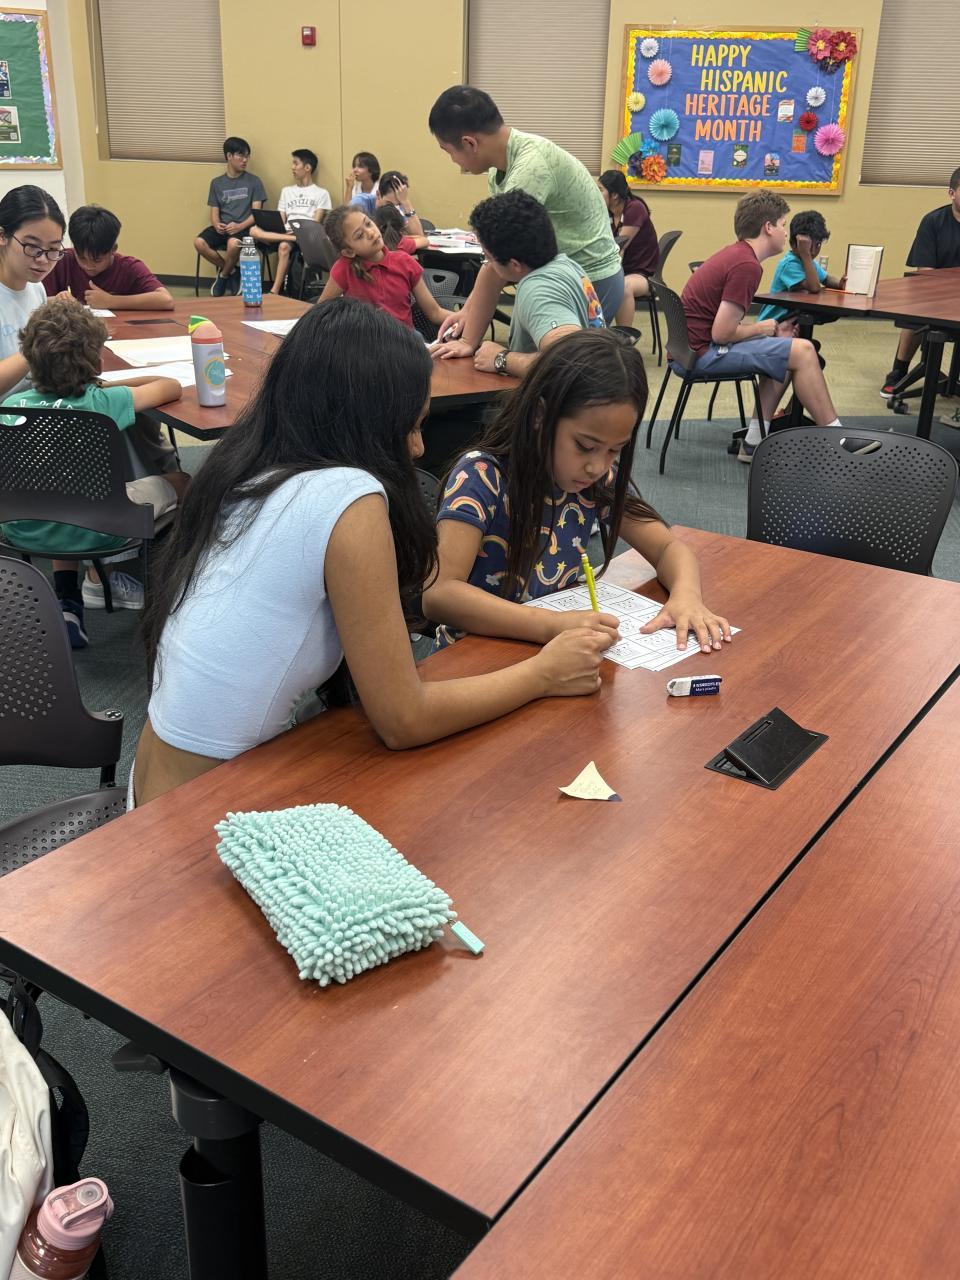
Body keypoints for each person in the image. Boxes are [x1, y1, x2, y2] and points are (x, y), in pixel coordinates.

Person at [133, 299, 611, 806]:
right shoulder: (349, 498)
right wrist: (544, 673)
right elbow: (404, 719)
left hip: (154, 789)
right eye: (412, 425)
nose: (418, 448)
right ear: (366, 422)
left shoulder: (247, 468)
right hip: (205, 813)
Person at [423, 328, 730, 654]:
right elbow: (439, 594)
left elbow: (669, 548)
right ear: (540, 415)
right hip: (475, 661)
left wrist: (687, 596)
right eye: (585, 446)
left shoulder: (597, 483)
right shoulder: (482, 477)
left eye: (614, 450)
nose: (597, 466)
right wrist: (549, 624)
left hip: (556, 651)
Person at [1, 297, 188, 646]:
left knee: (58, 491)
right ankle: (178, 585)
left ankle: (68, 601)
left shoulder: (10, 406)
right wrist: (102, 385)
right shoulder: (103, 402)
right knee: (184, 481)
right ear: (98, 362)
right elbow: (170, 386)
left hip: (22, 529)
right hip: (101, 532)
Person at [428, 85, 624, 356]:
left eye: (448, 151)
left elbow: (496, 260)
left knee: (562, 363)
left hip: (586, 275)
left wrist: (468, 341)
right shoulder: (501, 166)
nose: (453, 161)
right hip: (565, 271)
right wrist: (468, 312)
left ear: (470, 143)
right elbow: (496, 256)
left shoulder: (529, 169)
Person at [679, 190, 842, 462]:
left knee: (786, 350)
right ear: (768, 227)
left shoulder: (737, 254)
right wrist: (763, 329)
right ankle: (840, 441)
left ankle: (753, 442)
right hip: (703, 354)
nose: (785, 232)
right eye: (782, 225)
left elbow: (723, 326)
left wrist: (772, 333)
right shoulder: (747, 265)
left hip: (690, 349)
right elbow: (722, 333)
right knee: (803, 351)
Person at [438, 190, 604, 378]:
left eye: (488, 257)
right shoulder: (565, 265)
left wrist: (502, 358)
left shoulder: (538, 290)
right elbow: (492, 272)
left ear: (515, 265)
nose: (487, 263)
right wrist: (467, 340)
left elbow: (568, 364)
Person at [882, 165, 960, 397]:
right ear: (951, 193)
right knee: (913, 309)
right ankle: (899, 370)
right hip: (935, 294)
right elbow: (925, 272)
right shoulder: (933, 221)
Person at [318, 206, 454, 333]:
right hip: (365, 343)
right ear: (348, 252)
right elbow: (320, 314)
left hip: (405, 341)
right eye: (359, 235)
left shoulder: (405, 262)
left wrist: (463, 319)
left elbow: (435, 313)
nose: (371, 233)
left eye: (368, 223)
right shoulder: (344, 269)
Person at [0, 184, 66, 399]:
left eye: (53, 249)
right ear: (2, 236)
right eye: (32, 247)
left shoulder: (36, 289)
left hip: (35, 404)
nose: (43, 260)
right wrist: (38, 346)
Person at [44, 204, 174, 311]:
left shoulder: (129, 267)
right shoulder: (61, 260)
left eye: (97, 260)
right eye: (82, 258)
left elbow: (166, 300)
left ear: (113, 249)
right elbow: (35, 301)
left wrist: (111, 301)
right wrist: (55, 300)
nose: (88, 266)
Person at [251, 148, 332, 297]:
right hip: (286, 232)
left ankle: (274, 291)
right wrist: (272, 226)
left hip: (306, 234)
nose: (292, 167)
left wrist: (299, 234)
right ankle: (293, 238)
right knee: (254, 230)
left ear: (307, 168)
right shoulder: (286, 191)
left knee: (283, 246)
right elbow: (281, 220)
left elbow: (316, 223)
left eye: (296, 163)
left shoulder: (321, 193)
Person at [194, 137, 267, 297]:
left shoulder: (254, 181)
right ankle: (233, 271)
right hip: (224, 227)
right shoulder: (216, 183)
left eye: (247, 156)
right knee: (199, 243)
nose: (245, 160)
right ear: (229, 156)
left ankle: (223, 275)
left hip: (245, 228)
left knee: (233, 244)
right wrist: (216, 224)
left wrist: (240, 226)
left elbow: (256, 213)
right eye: (241, 155)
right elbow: (214, 212)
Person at [597, 170, 659, 327]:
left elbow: (619, 248)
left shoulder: (635, 208)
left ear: (614, 195)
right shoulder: (608, 213)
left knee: (623, 287)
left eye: (600, 190)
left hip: (644, 275)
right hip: (623, 271)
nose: (596, 194)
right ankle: (595, 332)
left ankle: (624, 337)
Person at [376, 171, 425, 237]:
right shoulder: (363, 204)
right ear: (378, 195)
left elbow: (419, 236)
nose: (393, 209)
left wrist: (405, 202)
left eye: (398, 204)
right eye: (389, 204)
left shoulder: (400, 209)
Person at [344, 151, 380, 217]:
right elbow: (346, 214)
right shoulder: (355, 189)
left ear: (371, 170)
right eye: (354, 166)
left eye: (360, 166)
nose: (355, 170)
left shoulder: (381, 189)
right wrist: (349, 188)